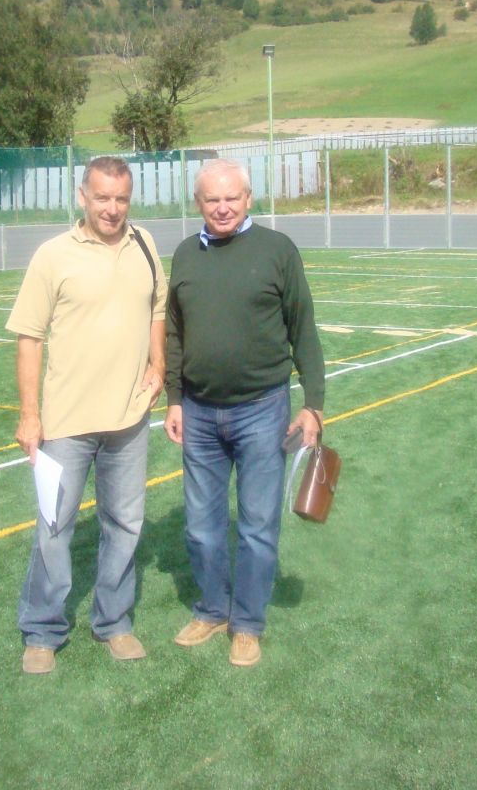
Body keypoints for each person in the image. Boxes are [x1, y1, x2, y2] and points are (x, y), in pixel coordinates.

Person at [6, 156, 167, 675]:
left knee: (124, 524)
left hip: (129, 419)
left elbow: (157, 308)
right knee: (54, 528)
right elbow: (29, 337)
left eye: (121, 198)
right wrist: (30, 415)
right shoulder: (53, 255)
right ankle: (42, 630)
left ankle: (114, 622)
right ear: (82, 197)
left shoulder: (145, 245)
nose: (112, 209)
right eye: (102, 198)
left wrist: (159, 364)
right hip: (65, 424)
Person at [163, 158, 325, 668]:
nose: (222, 207)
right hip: (198, 413)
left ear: (249, 198)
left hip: (263, 411)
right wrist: (173, 398)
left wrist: (314, 405)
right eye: (212, 199)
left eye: (232, 197)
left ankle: (248, 623)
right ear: (198, 203)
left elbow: (303, 328)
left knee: (257, 525)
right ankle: (213, 609)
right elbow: (174, 332)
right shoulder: (185, 255)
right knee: (201, 525)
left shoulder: (278, 250)